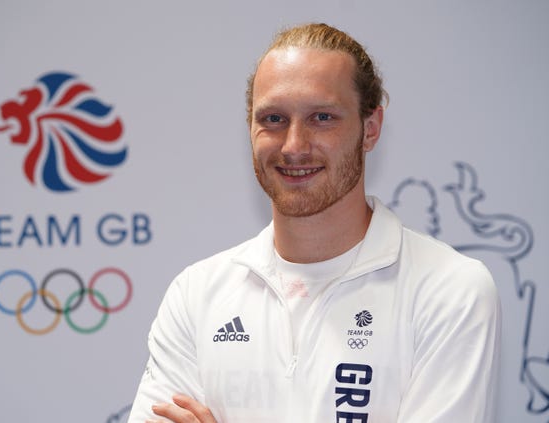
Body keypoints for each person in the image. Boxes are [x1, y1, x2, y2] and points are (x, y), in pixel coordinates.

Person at [127, 23, 501, 423]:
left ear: (370, 129)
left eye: (322, 117)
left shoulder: (449, 290)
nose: (293, 146)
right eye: (273, 118)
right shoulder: (196, 294)